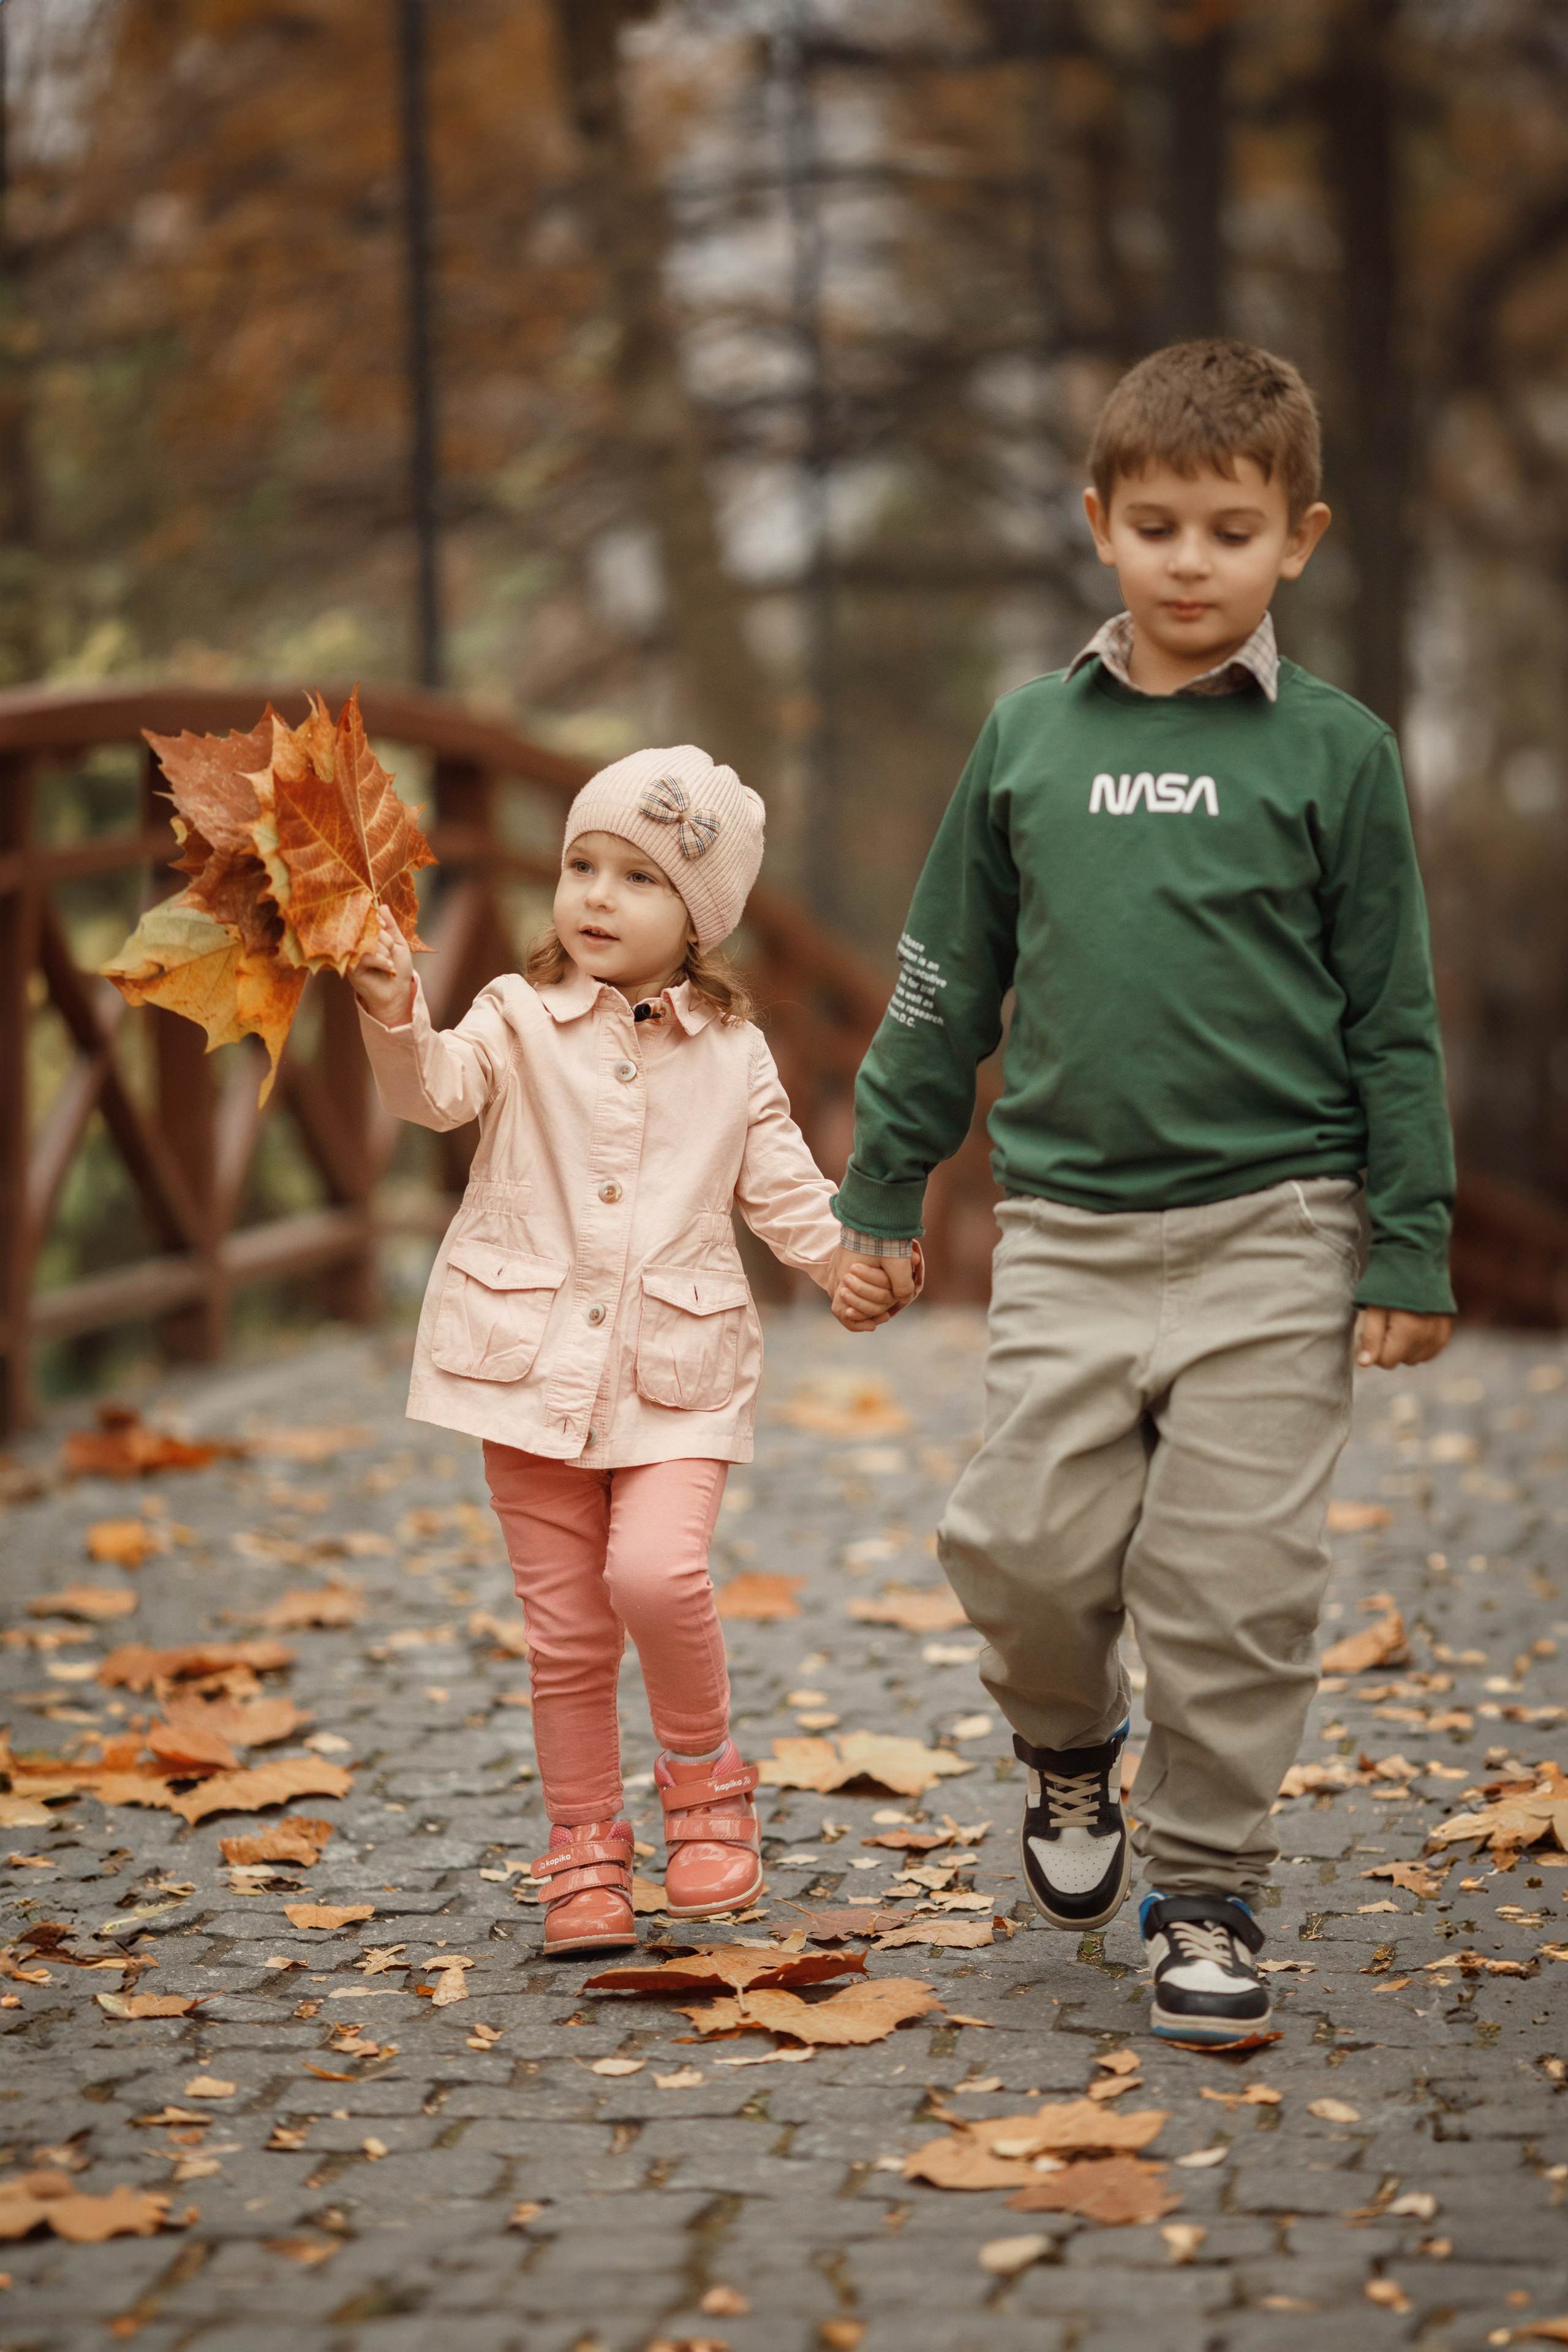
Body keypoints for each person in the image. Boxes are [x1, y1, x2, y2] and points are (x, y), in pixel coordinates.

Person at [831, 339, 1457, 2046]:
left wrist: (1408, 1234)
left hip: (1281, 1231)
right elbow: (943, 979)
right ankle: (1063, 1752)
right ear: (1099, 522)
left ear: (1299, 541)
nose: (1194, 562)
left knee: (1235, 1590)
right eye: (1160, 525)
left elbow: (1391, 1016)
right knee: (1018, 1548)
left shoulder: (1338, 756)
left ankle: (1207, 1892)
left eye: (1232, 530)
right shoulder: (1030, 737)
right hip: (1070, 1239)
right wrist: (883, 1194)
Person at [350, 745, 880, 1956]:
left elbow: (782, 1192)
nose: (593, 894)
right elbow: (432, 1093)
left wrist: (852, 1257)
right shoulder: (514, 1017)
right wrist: (393, 1005)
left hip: (675, 1376)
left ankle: (704, 1782)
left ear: (695, 919)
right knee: (568, 1632)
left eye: (636, 878)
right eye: (580, 864)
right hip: (523, 1371)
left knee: (653, 1575)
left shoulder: (732, 1051)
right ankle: (584, 1843)